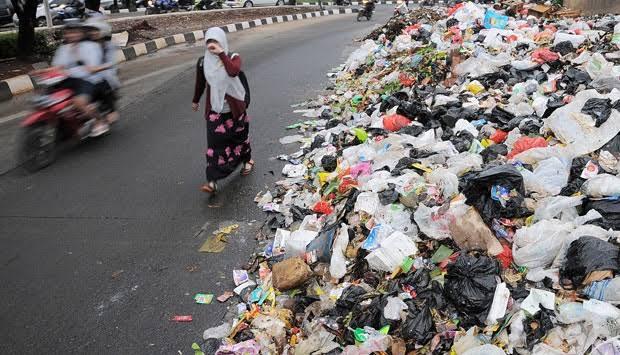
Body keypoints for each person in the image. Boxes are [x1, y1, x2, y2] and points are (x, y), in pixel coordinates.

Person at [192, 27, 254, 194]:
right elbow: (200, 83)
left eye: (215, 41)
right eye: (209, 42)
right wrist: (195, 100)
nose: (212, 45)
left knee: (239, 139)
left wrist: (221, 54)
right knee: (214, 145)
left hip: (235, 109)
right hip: (215, 110)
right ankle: (212, 181)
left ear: (222, 42)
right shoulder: (203, 62)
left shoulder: (233, 57)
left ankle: (247, 160)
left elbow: (233, 71)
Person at [49, 22, 109, 136]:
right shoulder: (63, 48)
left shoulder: (91, 46)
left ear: (81, 33)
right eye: (69, 33)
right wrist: (42, 72)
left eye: (75, 32)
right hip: (67, 80)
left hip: (87, 79)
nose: (72, 35)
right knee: (50, 101)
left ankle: (99, 121)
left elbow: (92, 68)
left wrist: (78, 64)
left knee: (79, 103)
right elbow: (57, 66)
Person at [84, 19, 120, 124]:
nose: (93, 33)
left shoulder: (109, 46)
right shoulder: (85, 45)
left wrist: (100, 68)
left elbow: (111, 62)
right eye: (90, 31)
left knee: (104, 80)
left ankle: (111, 108)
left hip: (105, 72)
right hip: (88, 72)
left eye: (95, 30)